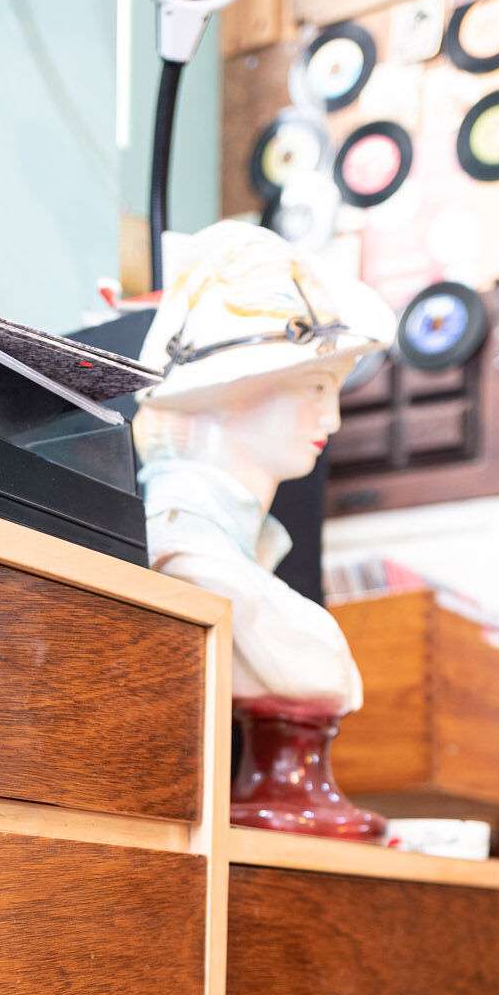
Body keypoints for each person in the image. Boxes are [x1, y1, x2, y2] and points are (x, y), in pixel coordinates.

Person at [134, 220, 394, 712]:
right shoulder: (201, 569)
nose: (333, 419)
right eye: (317, 387)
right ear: (233, 390)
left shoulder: (230, 564)